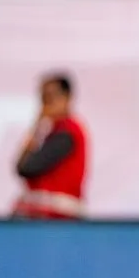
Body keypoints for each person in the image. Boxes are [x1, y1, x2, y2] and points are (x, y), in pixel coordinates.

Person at [13, 73, 89, 219]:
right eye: (43, 98)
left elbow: (28, 167)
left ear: (67, 98)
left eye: (51, 97)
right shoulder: (51, 131)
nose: (46, 104)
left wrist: (37, 126)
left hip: (57, 218)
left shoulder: (69, 132)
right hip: (42, 214)